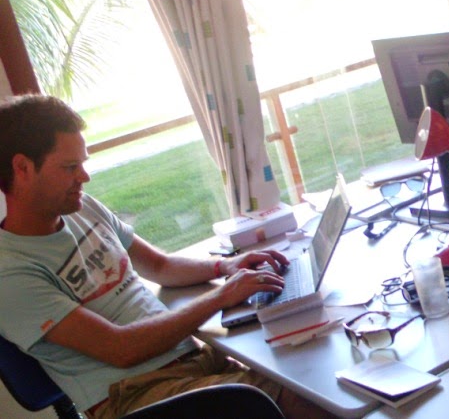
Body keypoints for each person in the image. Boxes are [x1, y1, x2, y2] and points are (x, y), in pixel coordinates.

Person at [0, 95, 333, 418]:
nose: (84, 177)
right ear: (23, 168)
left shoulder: (82, 207)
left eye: (82, 164)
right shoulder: (11, 273)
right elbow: (121, 349)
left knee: (312, 378)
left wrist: (225, 266)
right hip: (137, 395)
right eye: (70, 167)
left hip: (192, 358)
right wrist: (222, 296)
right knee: (297, 403)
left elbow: (160, 265)